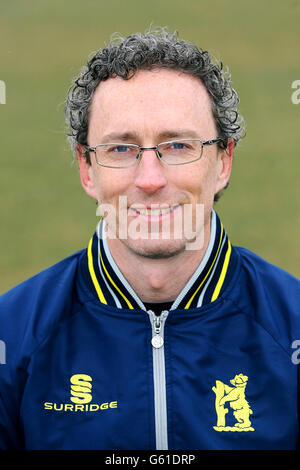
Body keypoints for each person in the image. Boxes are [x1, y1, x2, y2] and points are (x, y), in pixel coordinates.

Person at [0, 27, 299, 451]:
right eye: (121, 149)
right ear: (87, 169)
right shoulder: (11, 336)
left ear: (223, 162)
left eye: (177, 145)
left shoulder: (292, 329)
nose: (150, 179)